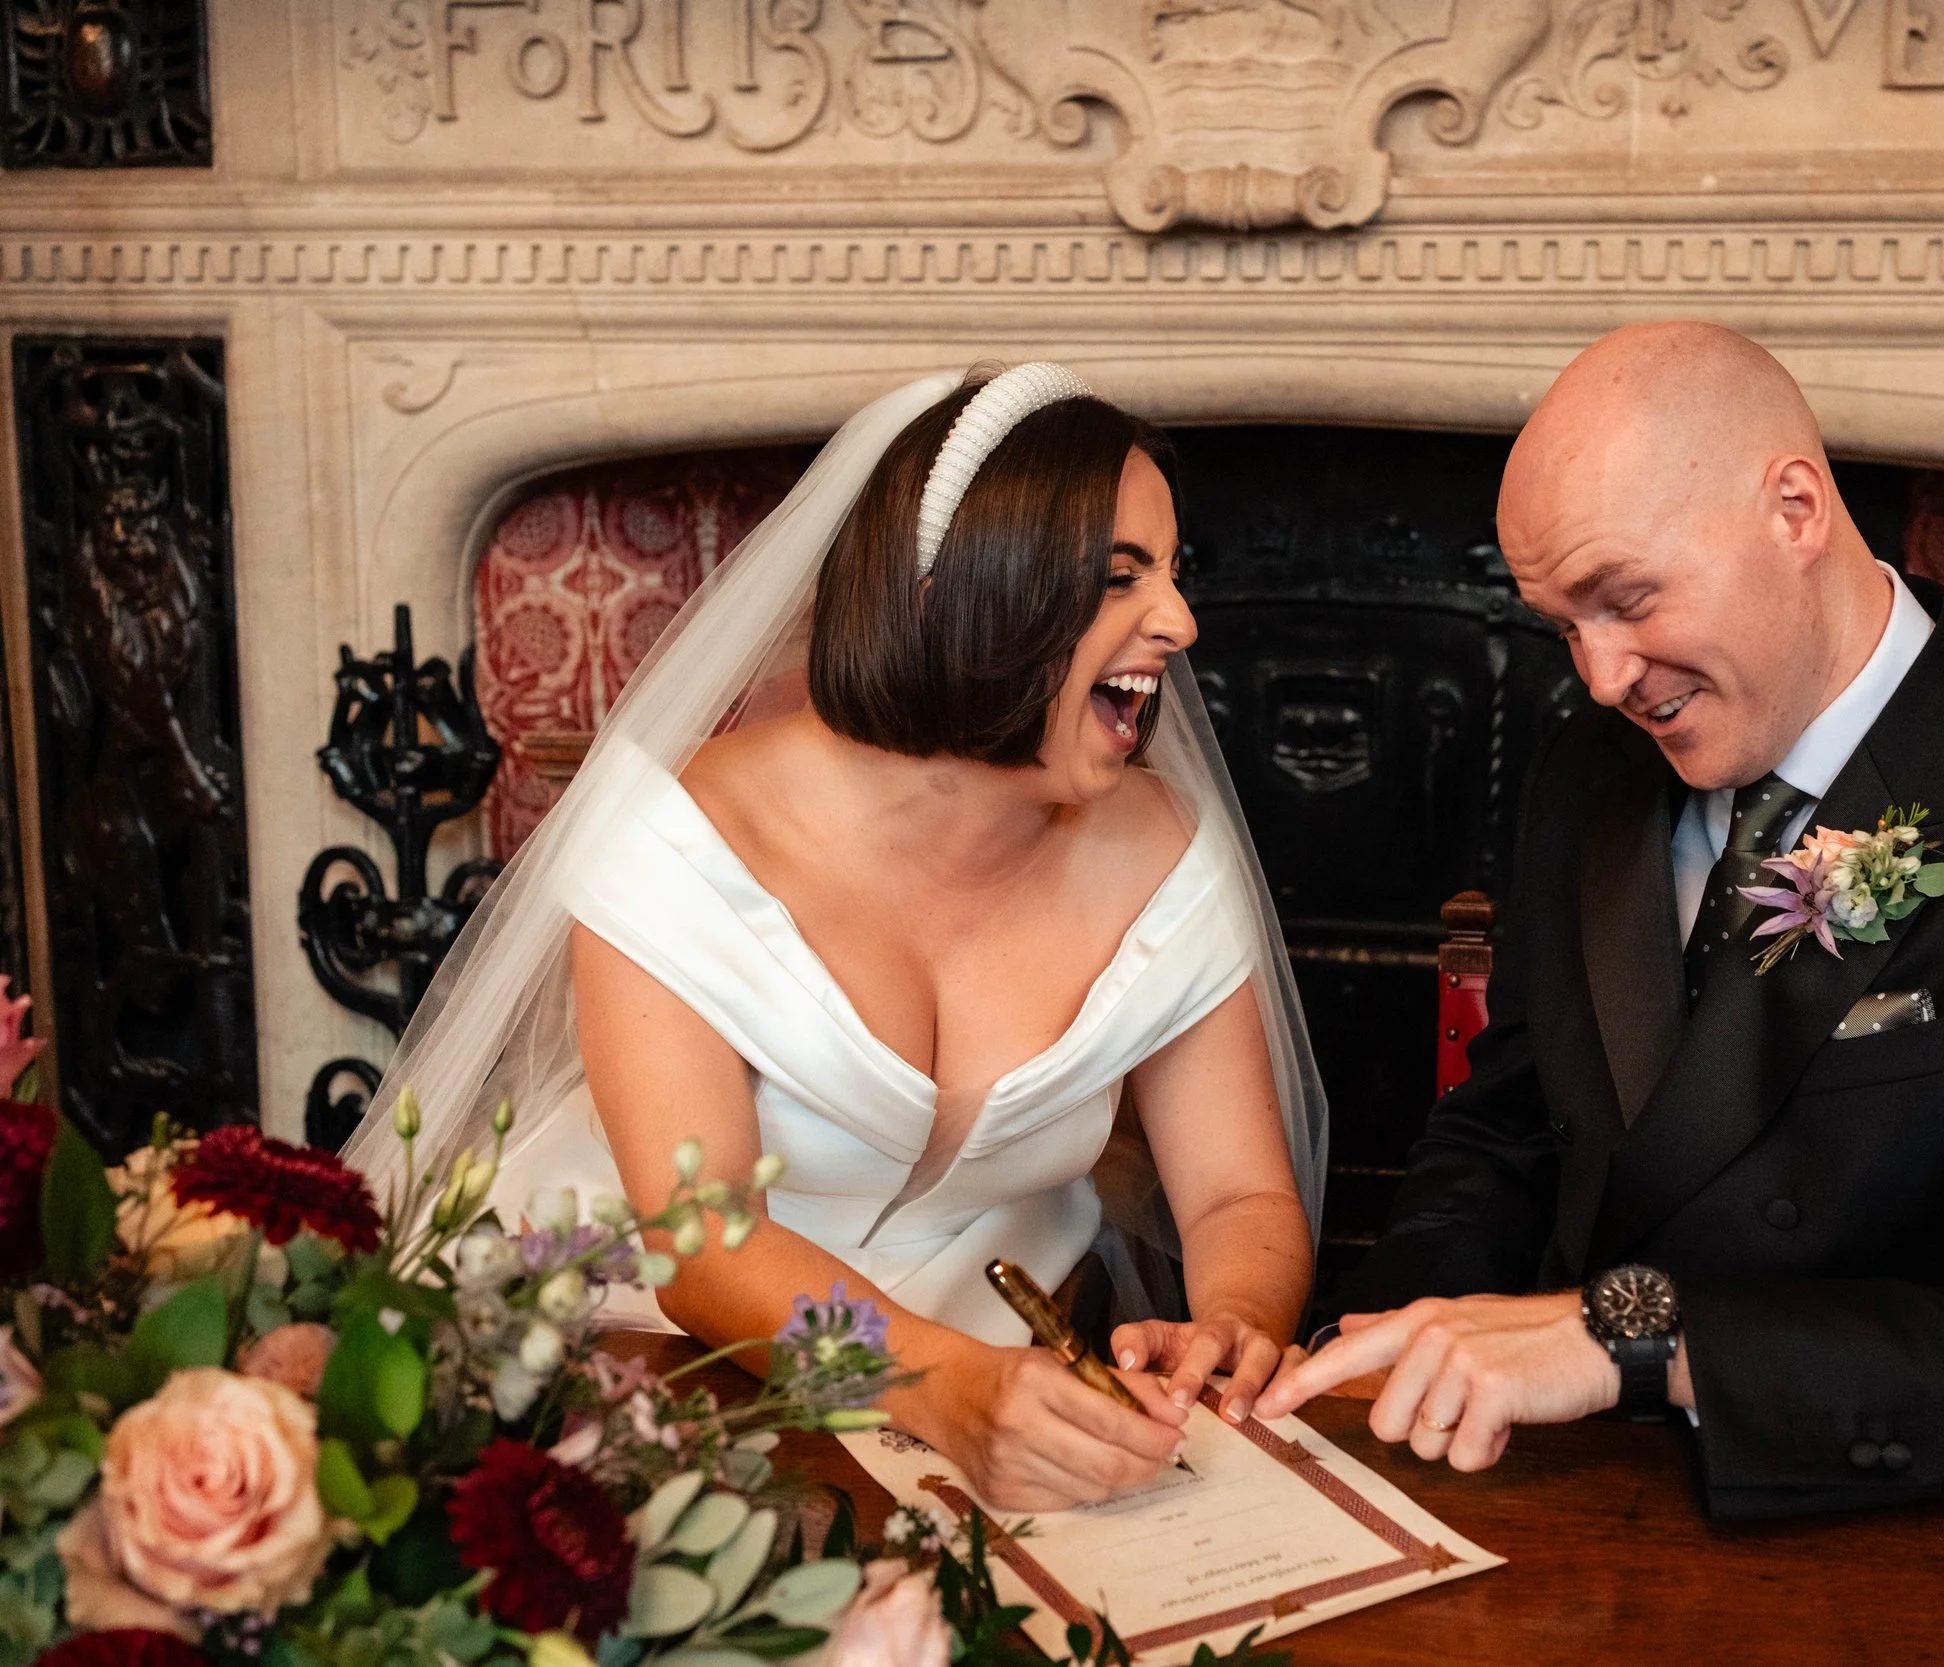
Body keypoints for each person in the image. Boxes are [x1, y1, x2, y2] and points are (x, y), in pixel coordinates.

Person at [1256, 323, 1944, 1519]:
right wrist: (1364, 1353)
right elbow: (1509, 1134)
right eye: (1560, 625)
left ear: (1795, 509)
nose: (1599, 676)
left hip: (1898, 1544)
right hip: (1568, 1510)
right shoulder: (1588, 771)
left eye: (1624, 598)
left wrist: (1633, 1337)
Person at [346, 366, 1326, 1513]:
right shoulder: (678, 840)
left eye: (1170, 570)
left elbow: (1236, 1201)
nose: (1180, 621)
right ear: (949, 596)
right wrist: (946, 1384)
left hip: (988, 1420)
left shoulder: (1165, 852)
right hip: (613, 1371)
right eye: (1121, 577)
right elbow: (703, 1243)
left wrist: (1234, 1323)